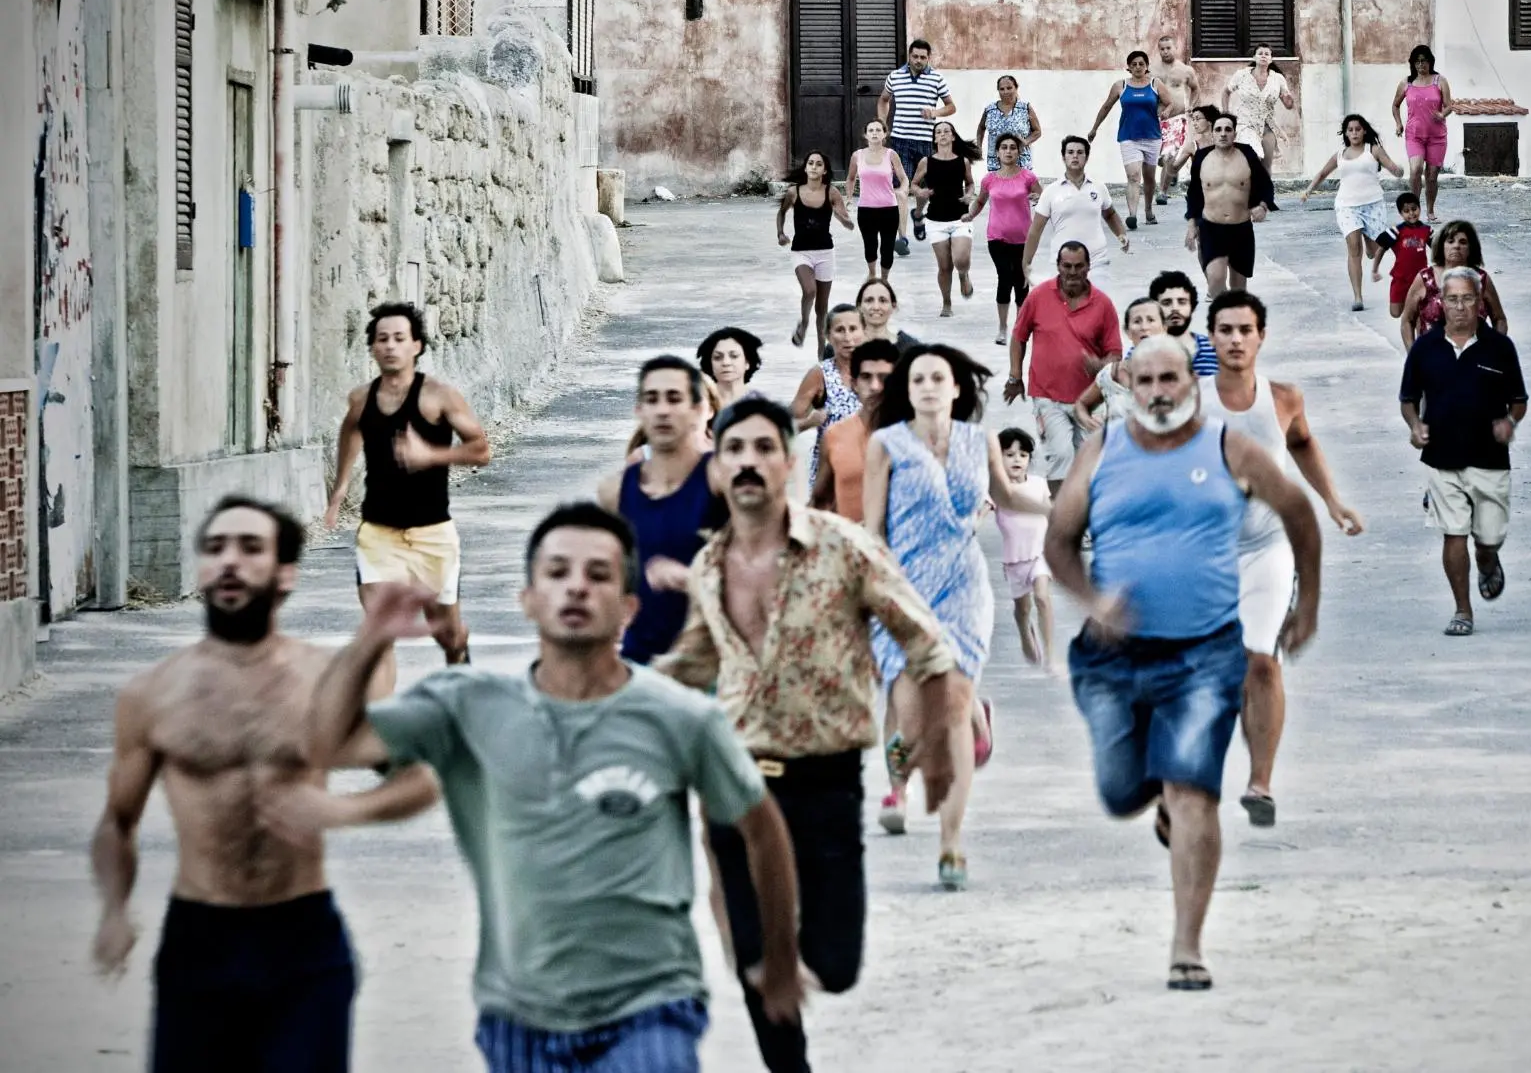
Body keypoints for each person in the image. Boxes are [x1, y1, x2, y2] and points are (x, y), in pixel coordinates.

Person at [289, 503, 804, 1072]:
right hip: (519, 1016)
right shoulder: (469, 706)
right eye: (557, 573)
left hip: (651, 1004)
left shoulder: (680, 718)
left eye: (598, 576)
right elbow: (328, 744)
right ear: (527, 600)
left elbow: (761, 825)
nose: (576, 588)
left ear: (628, 608)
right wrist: (369, 641)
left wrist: (779, 957)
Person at [655, 398, 966, 1070]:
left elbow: (928, 646)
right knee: (755, 961)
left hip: (823, 781)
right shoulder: (710, 566)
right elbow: (693, 663)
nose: (747, 461)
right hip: (735, 781)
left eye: (763, 447)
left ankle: (798, 977)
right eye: (733, 448)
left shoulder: (842, 546)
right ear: (716, 466)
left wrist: (936, 748)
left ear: (789, 463)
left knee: (835, 961)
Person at [90, 497, 440, 1073]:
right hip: (198, 938)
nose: (230, 561)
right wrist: (113, 910)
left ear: (285, 575)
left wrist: (338, 810)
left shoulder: (322, 683)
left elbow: (419, 777)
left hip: (301, 940)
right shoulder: (151, 696)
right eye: (216, 548)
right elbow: (117, 823)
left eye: (250, 548)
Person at [1043, 334, 1324, 992]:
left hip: (1204, 652)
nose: (1160, 392)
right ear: (1128, 387)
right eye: (1146, 381)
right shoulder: (1101, 451)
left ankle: (1186, 945)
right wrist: (1091, 598)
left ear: (1192, 384)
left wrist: (1305, 602)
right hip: (1113, 660)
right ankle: (1160, 791)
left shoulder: (1229, 448)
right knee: (1120, 793)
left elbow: (1299, 513)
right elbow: (1058, 540)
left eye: (1172, 378)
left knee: (1195, 792)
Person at [864, 345, 1047, 881]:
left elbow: (1008, 496)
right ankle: (899, 786)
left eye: (937, 378)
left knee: (953, 706)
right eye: (917, 378)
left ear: (957, 388)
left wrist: (1064, 508)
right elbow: (873, 528)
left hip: (964, 586)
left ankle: (951, 844)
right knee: (910, 715)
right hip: (903, 586)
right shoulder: (886, 445)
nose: (926, 386)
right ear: (907, 389)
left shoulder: (979, 439)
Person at [1198, 291, 1365, 827]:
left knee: (1261, 661)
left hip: (1267, 547)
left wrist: (1333, 501)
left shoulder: (1284, 397)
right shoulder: (1188, 401)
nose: (1236, 339)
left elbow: (1303, 444)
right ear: (1212, 336)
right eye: (1225, 330)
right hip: (1203, 553)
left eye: (1245, 330)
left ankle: (1260, 783)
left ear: (1261, 336)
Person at [324, 302, 491, 698]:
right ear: (372, 348)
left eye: (399, 338)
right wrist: (341, 486)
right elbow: (351, 432)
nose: (390, 346)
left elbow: (481, 450)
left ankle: (460, 670)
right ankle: (385, 725)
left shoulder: (439, 397)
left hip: (432, 531)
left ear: (416, 345)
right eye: (382, 339)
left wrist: (431, 456)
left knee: (447, 632)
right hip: (379, 532)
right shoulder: (361, 399)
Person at [1399, 268, 1529, 637]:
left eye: (1468, 298)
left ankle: (1488, 560)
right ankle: (1462, 610)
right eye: (1452, 299)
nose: (1460, 307)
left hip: (1490, 459)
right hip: (1442, 458)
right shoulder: (1425, 349)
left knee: (1487, 539)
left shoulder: (1500, 348)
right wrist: (1415, 425)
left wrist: (1509, 421)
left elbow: (1518, 400)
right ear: (1441, 302)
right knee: (1453, 534)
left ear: (1480, 302)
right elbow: (1408, 399)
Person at [596, 355, 725, 666]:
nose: (663, 410)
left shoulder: (724, 480)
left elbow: (768, 568)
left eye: (674, 398)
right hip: (641, 659)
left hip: (714, 661)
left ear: (700, 410)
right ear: (639, 410)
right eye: (652, 399)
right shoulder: (614, 491)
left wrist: (689, 578)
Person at [1004, 241, 1124, 495]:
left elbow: (1115, 355)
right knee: (1060, 455)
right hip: (1047, 396)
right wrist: (1015, 375)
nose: (1072, 272)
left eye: (1078, 266)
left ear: (1088, 267)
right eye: (1066, 266)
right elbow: (1018, 337)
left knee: (1087, 461)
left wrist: (1100, 365)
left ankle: (1081, 518)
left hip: (1090, 400)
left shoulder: (1103, 304)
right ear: (1058, 266)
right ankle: (1061, 517)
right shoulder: (1038, 296)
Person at [1299, 115, 1405, 312]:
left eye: (1358, 129)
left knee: (1373, 251)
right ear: (1346, 133)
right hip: (1347, 205)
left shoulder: (1373, 150)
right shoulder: (1340, 154)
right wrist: (1308, 190)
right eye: (1350, 130)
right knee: (1353, 247)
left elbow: (1392, 167)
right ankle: (1358, 296)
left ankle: (1369, 241)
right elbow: (1322, 173)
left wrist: (1399, 171)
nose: (1354, 133)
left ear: (1364, 130)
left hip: (1373, 205)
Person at [1022, 136, 1131, 296]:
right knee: (1067, 310)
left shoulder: (1098, 187)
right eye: (1070, 152)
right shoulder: (1051, 192)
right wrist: (1026, 262)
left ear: (1086, 157)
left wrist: (1121, 234)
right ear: (1063, 157)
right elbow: (1035, 230)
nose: (1075, 156)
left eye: (1080, 152)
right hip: (1064, 263)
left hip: (1097, 260)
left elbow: (1110, 214)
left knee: (1095, 309)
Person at [1185, 112, 1276, 296]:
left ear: (1234, 133)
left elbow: (1265, 184)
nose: (1223, 133)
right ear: (1212, 133)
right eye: (1218, 129)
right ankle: (1218, 308)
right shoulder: (1202, 157)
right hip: (1211, 228)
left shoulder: (1247, 154)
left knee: (1238, 290)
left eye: (1228, 129)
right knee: (1216, 281)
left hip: (1241, 229)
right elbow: (1194, 194)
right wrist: (1191, 225)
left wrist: (1263, 206)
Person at [878, 37, 955, 253]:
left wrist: (935, 112)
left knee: (928, 190)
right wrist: (883, 125)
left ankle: (918, 214)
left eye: (923, 57)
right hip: (900, 141)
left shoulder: (937, 79)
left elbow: (951, 107)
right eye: (915, 56)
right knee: (900, 190)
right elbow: (883, 100)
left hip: (926, 143)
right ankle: (901, 238)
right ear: (909, 57)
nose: (919, 60)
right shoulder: (895, 77)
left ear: (928, 58)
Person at [810, 339, 900, 521]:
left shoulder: (914, 435)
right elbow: (821, 501)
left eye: (884, 378)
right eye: (866, 377)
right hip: (852, 544)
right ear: (854, 384)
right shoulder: (835, 436)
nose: (875, 386)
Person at [967, 133, 1043, 345]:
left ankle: (1020, 328)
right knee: (1005, 277)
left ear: (1019, 152)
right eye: (1004, 147)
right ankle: (1002, 328)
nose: (1008, 151)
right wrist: (970, 215)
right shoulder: (989, 179)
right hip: (997, 237)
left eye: (1012, 147)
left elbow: (1042, 197)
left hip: (1023, 239)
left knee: (1021, 280)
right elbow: (981, 202)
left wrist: (1036, 197)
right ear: (997, 152)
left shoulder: (1028, 177)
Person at [993, 427, 1059, 672]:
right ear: (998, 458)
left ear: (1030, 459)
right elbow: (981, 511)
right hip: (1015, 559)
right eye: (1009, 454)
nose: (1017, 459)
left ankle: (1051, 654)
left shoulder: (1039, 484)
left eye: (1022, 455)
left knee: (1042, 597)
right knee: (1023, 608)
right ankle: (1024, 630)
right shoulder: (997, 491)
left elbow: (1051, 514)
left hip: (1041, 553)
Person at [777, 150, 856, 349]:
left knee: (822, 308)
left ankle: (822, 349)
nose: (814, 166)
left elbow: (848, 223)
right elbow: (782, 212)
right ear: (805, 168)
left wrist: (842, 218)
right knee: (809, 290)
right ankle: (804, 323)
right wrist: (780, 233)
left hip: (825, 253)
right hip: (801, 251)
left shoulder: (831, 192)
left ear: (824, 170)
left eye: (818, 164)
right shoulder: (794, 192)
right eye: (810, 163)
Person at [1088, 50, 1167, 229]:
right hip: (1128, 137)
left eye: (1141, 64)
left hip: (1152, 137)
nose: (1138, 67)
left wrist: (1165, 111)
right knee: (1133, 176)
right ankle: (1132, 215)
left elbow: (1169, 102)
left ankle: (1148, 210)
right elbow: (1106, 106)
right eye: (1134, 64)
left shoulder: (1156, 84)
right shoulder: (1120, 86)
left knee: (1148, 177)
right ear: (1129, 68)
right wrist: (1094, 128)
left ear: (1147, 66)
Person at [1399, 219, 1508, 349]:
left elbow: (1499, 319)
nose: (1456, 246)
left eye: (1463, 242)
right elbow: (1407, 320)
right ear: (1441, 246)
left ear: (1470, 248)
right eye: (1450, 241)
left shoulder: (1481, 279)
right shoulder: (1425, 278)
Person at [790, 303, 865, 486]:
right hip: (831, 478)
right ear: (828, 336)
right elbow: (784, 427)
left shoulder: (877, 371)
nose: (848, 337)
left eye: (853, 329)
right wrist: (809, 422)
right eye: (840, 330)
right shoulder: (820, 375)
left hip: (872, 474)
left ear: (864, 332)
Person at [910, 122, 980, 316]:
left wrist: (969, 195)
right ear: (934, 138)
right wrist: (920, 191)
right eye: (938, 132)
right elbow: (913, 184)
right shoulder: (926, 162)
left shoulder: (962, 161)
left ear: (952, 137)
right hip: (936, 220)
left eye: (946, 131)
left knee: (961, 260)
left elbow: (971, 183)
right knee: (945, 266)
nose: (942, 134)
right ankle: (947, 303)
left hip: (960, 218)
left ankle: (964, 275)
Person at [1073, 296, 1168, 431]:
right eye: (1137, 321)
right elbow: (1081, 404)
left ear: (1164, 328)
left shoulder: (1179, 374)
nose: (1144, 327)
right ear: (1128, 332)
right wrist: (1090, 423)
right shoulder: (1111, 374)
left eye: (1151, 320)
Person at [1391, 45, 1453, 224]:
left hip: (1437, 136)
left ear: (1430, 62)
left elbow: (1449, 105)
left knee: (1432, 176)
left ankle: (1431, 210)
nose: (1421, 65)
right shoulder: (1406, 83)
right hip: (1414, 135)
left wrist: (1442, 114)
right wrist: (1398, 123)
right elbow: (1395, 105)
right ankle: (1413, 210)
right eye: (1417, 61)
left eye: (1424, 61)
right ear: (1413, 63)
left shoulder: (1440, 81)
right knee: (1416, 169)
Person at [847, 120, 912, 279]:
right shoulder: (857, 156)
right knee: (870, 247)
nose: (874, 133)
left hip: (889, 209)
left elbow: (904, 178)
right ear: (866, 134)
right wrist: (848, 199)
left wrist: (903, 191)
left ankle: (884, 279)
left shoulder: (891, 155)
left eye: (878, 130)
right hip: (866, 209)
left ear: (884, 134)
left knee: (887, 248)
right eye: (871, 130)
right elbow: (850, 178)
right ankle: (872, 274)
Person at [1220, 44, 1296, 175]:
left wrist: (1289, 101)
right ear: (1254, 57)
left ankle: (1264, 194)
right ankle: (1246, 190)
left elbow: (1287, 104)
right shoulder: (1242, 75)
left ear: (1271, 59)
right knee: (1253, 155)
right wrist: (1226, 114)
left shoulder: (1277, 79)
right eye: (1260, 53)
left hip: (1268, 126)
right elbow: (1226, 92)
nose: (1263, 56)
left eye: (1267, 54)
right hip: (1246, 123)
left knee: (1266, 166)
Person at [1152, 35, 1200, 204]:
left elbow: (1195, 89)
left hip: (1177, 118)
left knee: (1169, 156)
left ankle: (1162, 192)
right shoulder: (1151, 69)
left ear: (1175, 48)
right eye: (1162, 49)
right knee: (1158, 158)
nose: (1165, 52)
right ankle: (1172, 173)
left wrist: (1191, 106)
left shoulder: (1185, 70)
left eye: (1168, 48)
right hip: (1156, 119)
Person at [1148, 269, 1218, 376]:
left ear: (1192, 306)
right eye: (1167, 303)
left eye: (1182, 302)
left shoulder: (1214, 350)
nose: (1175, 308)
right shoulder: (1140, 352)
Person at [974, 74, 1042, 172]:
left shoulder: (1025, 108)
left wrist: (1026, 141)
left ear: (1016, 88)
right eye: (1002, 89)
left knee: (1020, 187)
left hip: (1020, 161)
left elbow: (1037, 131)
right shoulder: (990, 109)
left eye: (1009, 88)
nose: (1006, 92)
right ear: (998, 91)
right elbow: (981, 128)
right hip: (995, 162)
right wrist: (979, 147)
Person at [1384, 192, 1433, 319]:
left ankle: (1415, 332)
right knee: (1395, 313)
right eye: (1406, 211)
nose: (1411, 213)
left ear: (1420, 208)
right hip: (1401, 277)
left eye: (1414, 209)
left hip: (1420, 278)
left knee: (1418, 314)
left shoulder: (1426, 230)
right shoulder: (1397, 231)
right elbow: (1381, 248)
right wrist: (1374, 269)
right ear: (1401, 214)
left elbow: (1438, 248)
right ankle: (1409, 307)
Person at [699, 325, 765, 410]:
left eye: (734, 356)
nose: (726, 363)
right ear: (710, 364)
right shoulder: (698, 404)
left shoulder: (763, 406)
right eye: (717, 357)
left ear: (747, 362)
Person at [853, 275, 920, 350]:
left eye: (883, 300)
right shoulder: (847, 346)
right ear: (859, 307)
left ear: (893, 306)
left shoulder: (910, 347)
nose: (876, 307)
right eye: (869, 300)